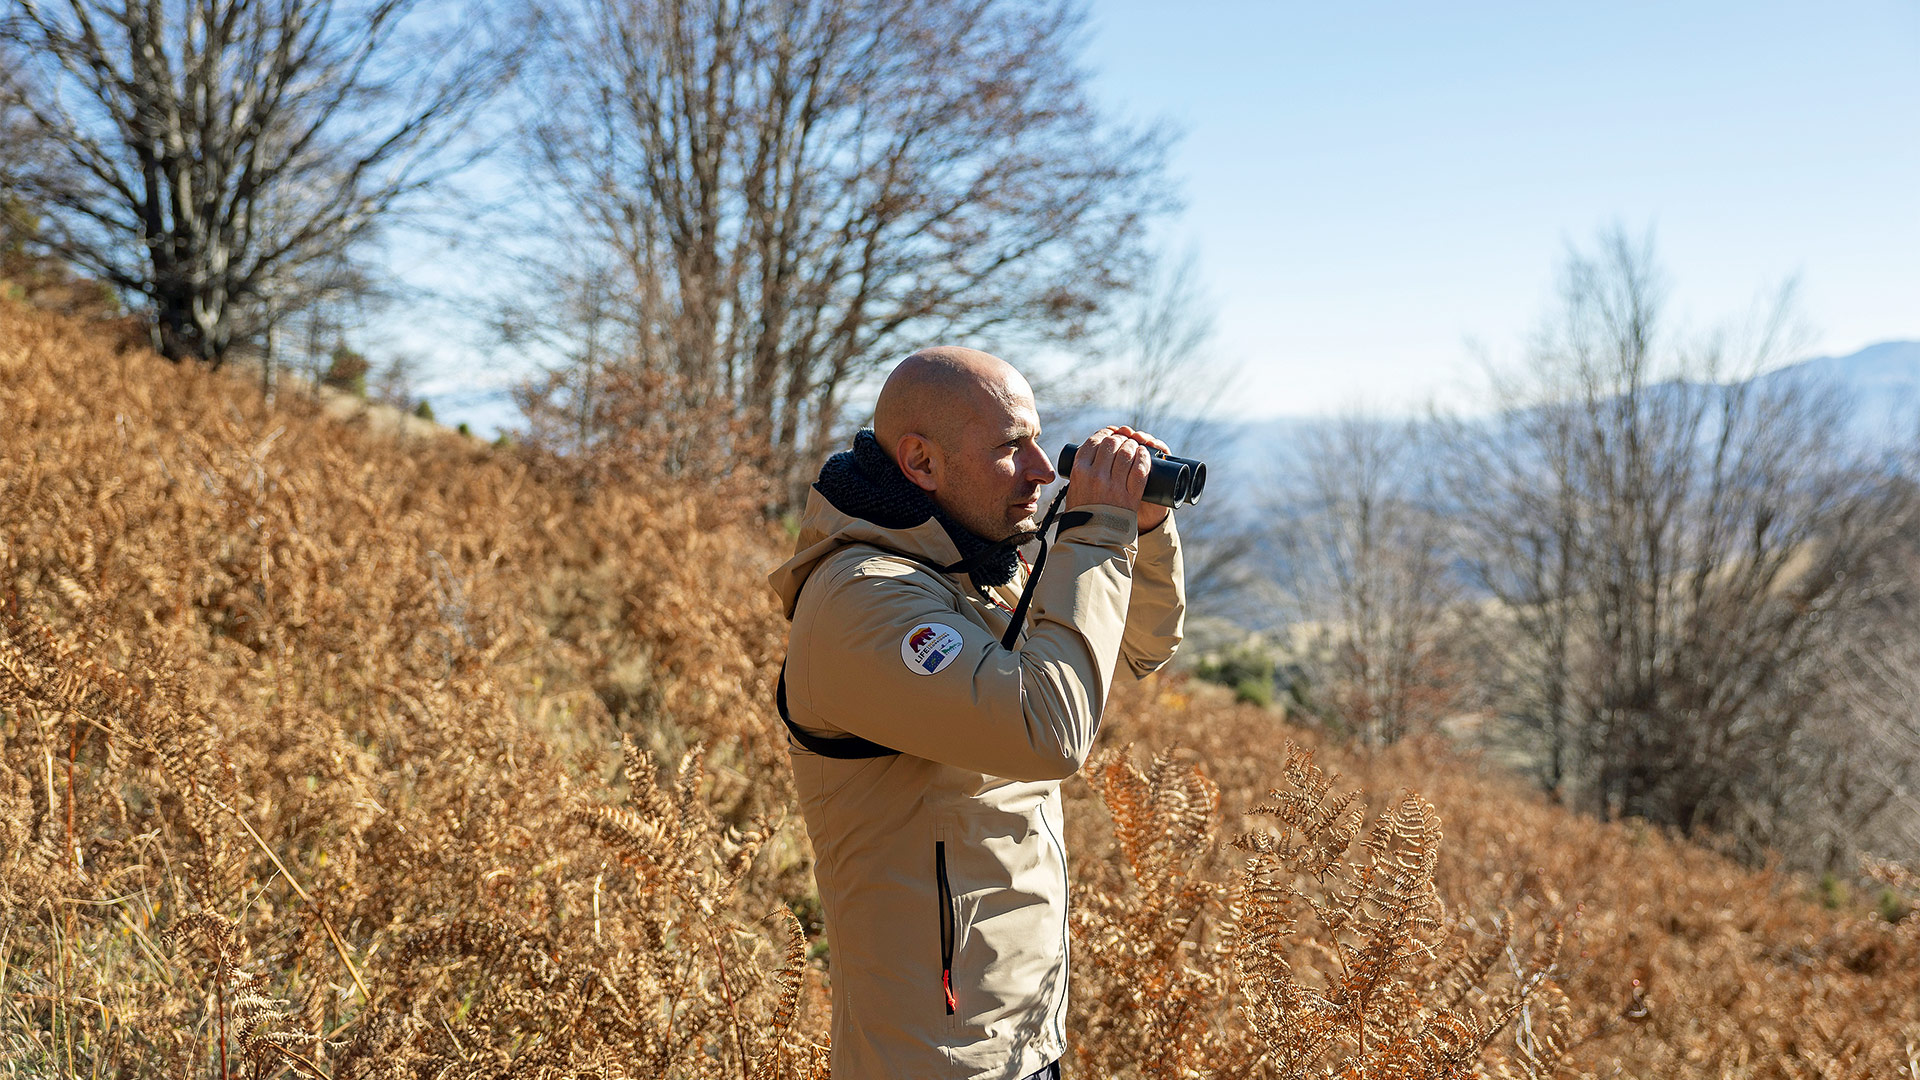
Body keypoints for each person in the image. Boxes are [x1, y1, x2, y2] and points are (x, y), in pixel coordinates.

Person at [767, 346, 1186, 1078]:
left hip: (1021, 1032)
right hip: (933, 1056)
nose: (1042, 470)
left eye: (1038, 441)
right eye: (1011, 447)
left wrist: (1143, 531)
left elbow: (1134, 650)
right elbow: (1049, 732)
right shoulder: (865, 600)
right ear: (921, 462)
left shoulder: (975, 569)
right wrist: (1096, 529)